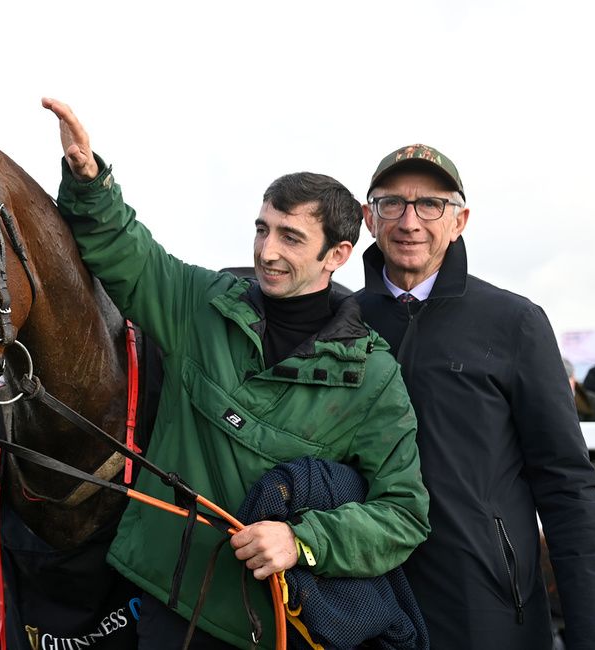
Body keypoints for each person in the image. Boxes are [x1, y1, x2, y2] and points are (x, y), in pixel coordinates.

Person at [42, 99, 430, 649]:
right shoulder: (200, 303)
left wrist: (302, 540)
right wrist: (90, 179)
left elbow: (403, 514)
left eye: (291, 238)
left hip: (278, 624)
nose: (267, 251)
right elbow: (125, 252)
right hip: (167, 604)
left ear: (338, 254)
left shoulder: (374, 377)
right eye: (262, 229)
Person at [355, 144, 595, 649]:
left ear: (460, 219)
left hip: (488, 609)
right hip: (361, 603)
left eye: (431, 204)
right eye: (391, 203)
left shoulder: (515, 323)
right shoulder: (340, 324)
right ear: (367, 218)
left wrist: (588, 628)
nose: (410, 221)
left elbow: (566, 484)